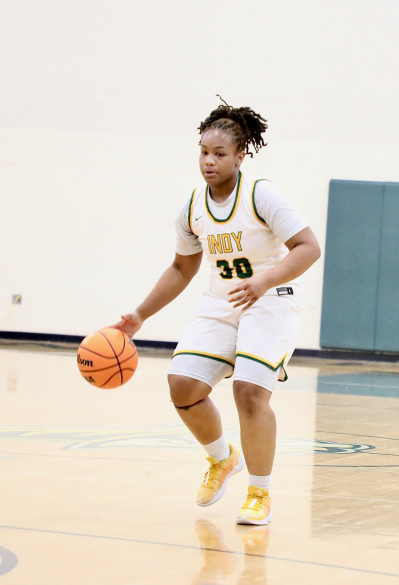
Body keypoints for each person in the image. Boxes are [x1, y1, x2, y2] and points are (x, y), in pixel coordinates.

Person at [113, 97, 321, 525]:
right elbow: (181, 268)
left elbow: (308, 247)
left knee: (249, 391)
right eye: (204, 152)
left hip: (272, 301)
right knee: (182, 385)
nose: (209, 161)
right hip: (222, 301)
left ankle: (260, 493)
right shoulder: (192, 207)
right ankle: (222, 458)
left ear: (240, 156)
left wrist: (265, 280)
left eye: (219, 154)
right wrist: (141, 314)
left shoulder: (262, 194)